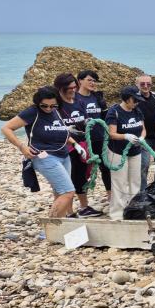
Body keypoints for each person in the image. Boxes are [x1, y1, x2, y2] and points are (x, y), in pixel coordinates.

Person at [2, 86, 83, 218]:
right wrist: (22, 147)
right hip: (44, 156)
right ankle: (52, 225)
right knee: (68, 192)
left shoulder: (56, 111)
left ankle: (60, 223)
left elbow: (61, 131)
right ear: (38, 102)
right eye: (44, 106)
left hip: (63, 155)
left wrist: (75, 144)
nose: (48, 109)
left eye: (52, 106)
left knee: (59, 191)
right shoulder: (32, 112)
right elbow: (6, 128)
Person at [54, 73, 103, 218]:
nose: (73, 90)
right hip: (66, 146)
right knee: (68, 178)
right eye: (69, 88)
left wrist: (87, 122)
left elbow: (83, 118)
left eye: (74, 87)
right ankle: (69, 212)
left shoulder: (78, 101)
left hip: (82, 143)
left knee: (81, 176)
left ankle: (84, 206)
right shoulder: (57, 105)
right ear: (61, 88)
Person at [105, 86, 147, 220]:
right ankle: (117, 213)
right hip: (117, 152)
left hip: (135, 151)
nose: (137, 103)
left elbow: (143, 129)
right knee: (119, 183)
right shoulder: (114, 112)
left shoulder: (137, 111)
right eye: (135, 100)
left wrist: (142, 138)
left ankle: (133, 210)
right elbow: (111, 133)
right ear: (128, 99)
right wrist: (125, 136)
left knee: (135, 181)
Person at [75, 70, 111, 202]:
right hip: (83, 141)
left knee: (106, 168)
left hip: (100, 138)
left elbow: (105, 118)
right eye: (89, 80)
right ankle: (84, 203)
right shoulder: (75, 99)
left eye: (94, 81)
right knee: (83, 171)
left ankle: (110, 196)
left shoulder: (97, 97)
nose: (92, 83)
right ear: (80, 81)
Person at [135, 75, 155, 189]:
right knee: (144, 165)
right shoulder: (135, 98)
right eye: (142, 84)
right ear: (137, 84)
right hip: (143, 138)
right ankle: (143, 191)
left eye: (148, 84)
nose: (146, 86)